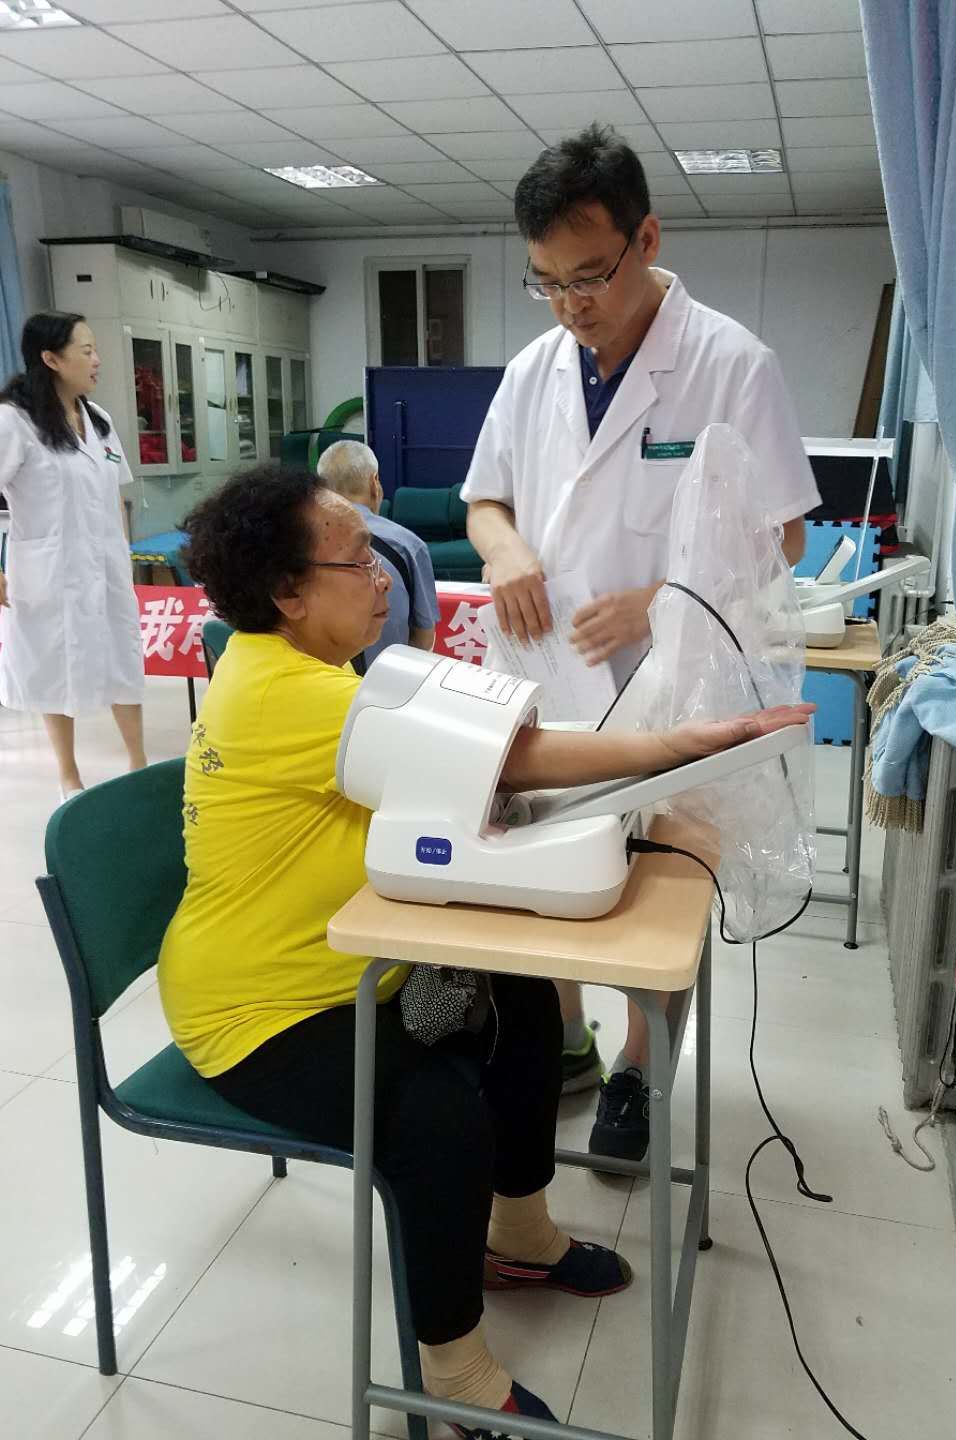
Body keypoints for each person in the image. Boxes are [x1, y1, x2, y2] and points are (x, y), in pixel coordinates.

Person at [158, 464, 811, 1439]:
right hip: (257, 1016)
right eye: (358, 562)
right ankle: (454, 1376)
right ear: (288, 592)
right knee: (435, 1118)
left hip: (344, 974)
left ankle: (519, 1236)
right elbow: (511, 759)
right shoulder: (284, 693)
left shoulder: (317, 672)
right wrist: (677, 745)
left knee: (520, 996)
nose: (384, 578)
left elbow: (474, 758)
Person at [461, 124, 823, 1160]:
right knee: (540, 862)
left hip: (677, 675)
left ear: (646, 238)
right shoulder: (535, 369)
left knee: (656, 883)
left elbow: (784, 533)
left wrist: (661, 601)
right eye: (546, 283)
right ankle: (564, 1039)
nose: (569, 305)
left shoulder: (730, 363)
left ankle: (638, 1068)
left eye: (588, 276)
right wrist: (503, 551)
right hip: (544, 669)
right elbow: (485, 499)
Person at [0, 311, 145, 797]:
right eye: (86, 351)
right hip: (49, 571)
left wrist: (123, 556)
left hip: (105, 566)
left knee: (122, 656)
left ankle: (138, 762)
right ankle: (68, 775)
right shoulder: (14, 421)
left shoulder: (98, 420)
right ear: (51, 359)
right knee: (53, 664)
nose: (97, 360)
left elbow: (114, 495)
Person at [316, 438, 439, 667]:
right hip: (387, 682)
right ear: (375, 483)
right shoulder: (407, 545)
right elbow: (424, 637)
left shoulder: (303, 545)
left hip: (319, 681)